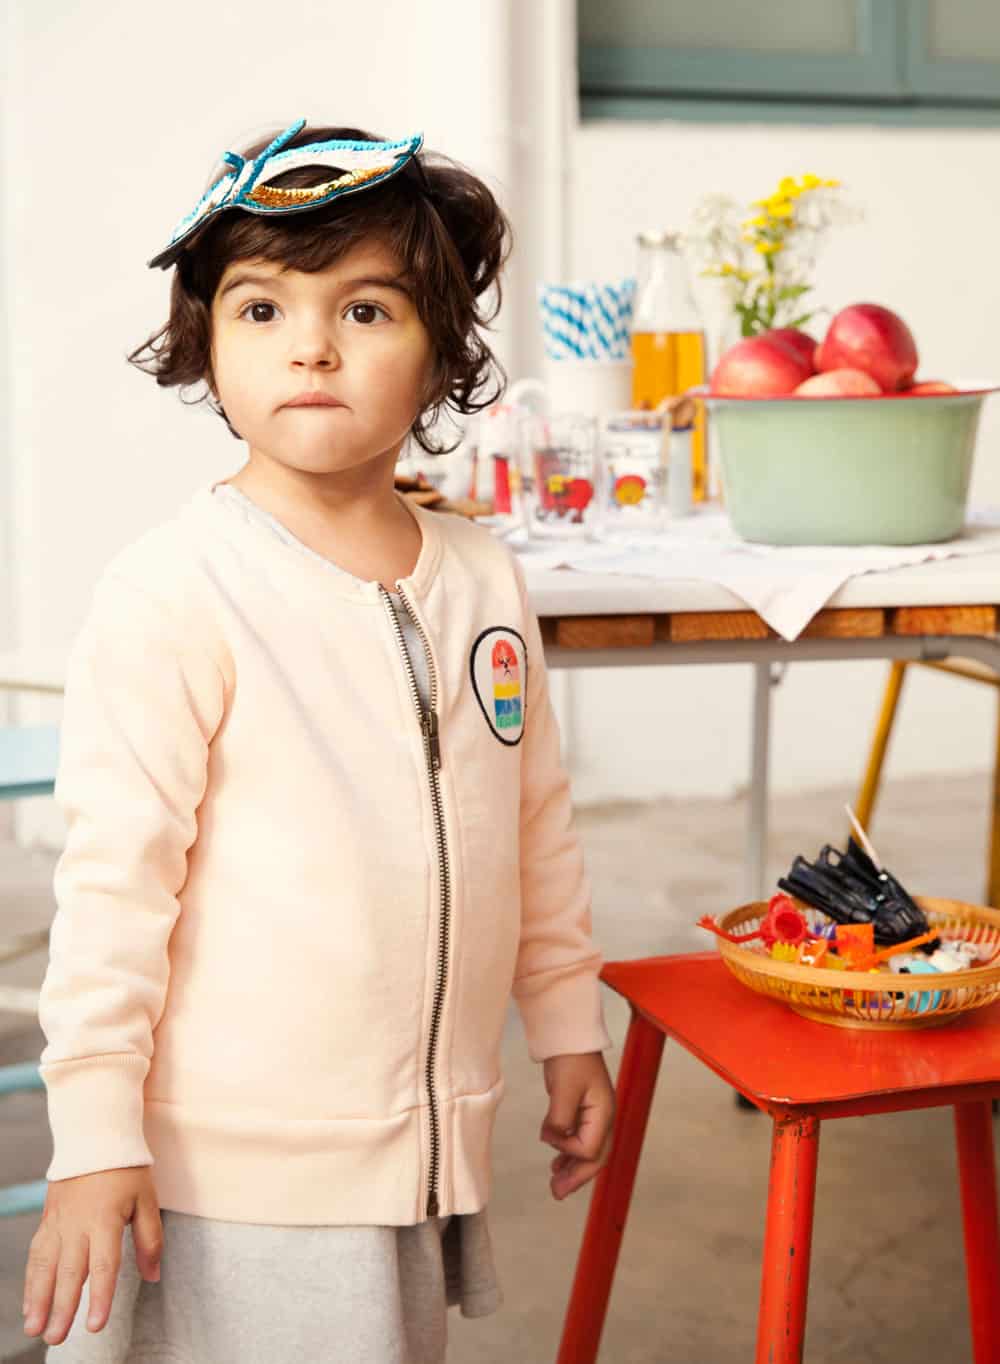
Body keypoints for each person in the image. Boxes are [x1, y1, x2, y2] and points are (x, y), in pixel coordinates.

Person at [21, 118, 615, 1363]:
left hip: (415, 1149)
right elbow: (115, 886)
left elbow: (535, 824)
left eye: (365, 310)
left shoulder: (482, 577)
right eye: (261, 309)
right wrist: (96, 1134)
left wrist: (567, 1023)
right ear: (207, 345)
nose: (310, 344)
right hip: (231, 1173)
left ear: (440, 351)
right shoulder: (176, 590)